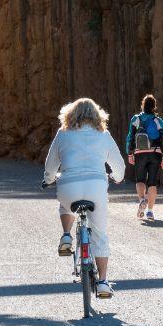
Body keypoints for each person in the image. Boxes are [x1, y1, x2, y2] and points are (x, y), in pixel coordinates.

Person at [43, 97, 125, 298]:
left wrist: (49, 179)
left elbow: (51, 164)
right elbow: (119, 166)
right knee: (100, 234)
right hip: (96, 187)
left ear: (70, 115)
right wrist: (116, 177)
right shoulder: (103, 134)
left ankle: (66, 235)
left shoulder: (62, 134)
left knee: (65, 204)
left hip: (69, 187)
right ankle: (103, 282)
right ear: (97, 115)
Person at [125, 94, 163, 221]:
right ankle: (150, 211)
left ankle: (142, 199)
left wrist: (129, 153)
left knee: (140, 180)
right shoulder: (158, 120)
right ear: (154, 107)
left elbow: (130, 137)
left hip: (140, 153)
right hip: (155, 153)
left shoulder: (136, 119)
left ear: (142, 105)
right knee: (152, 183)